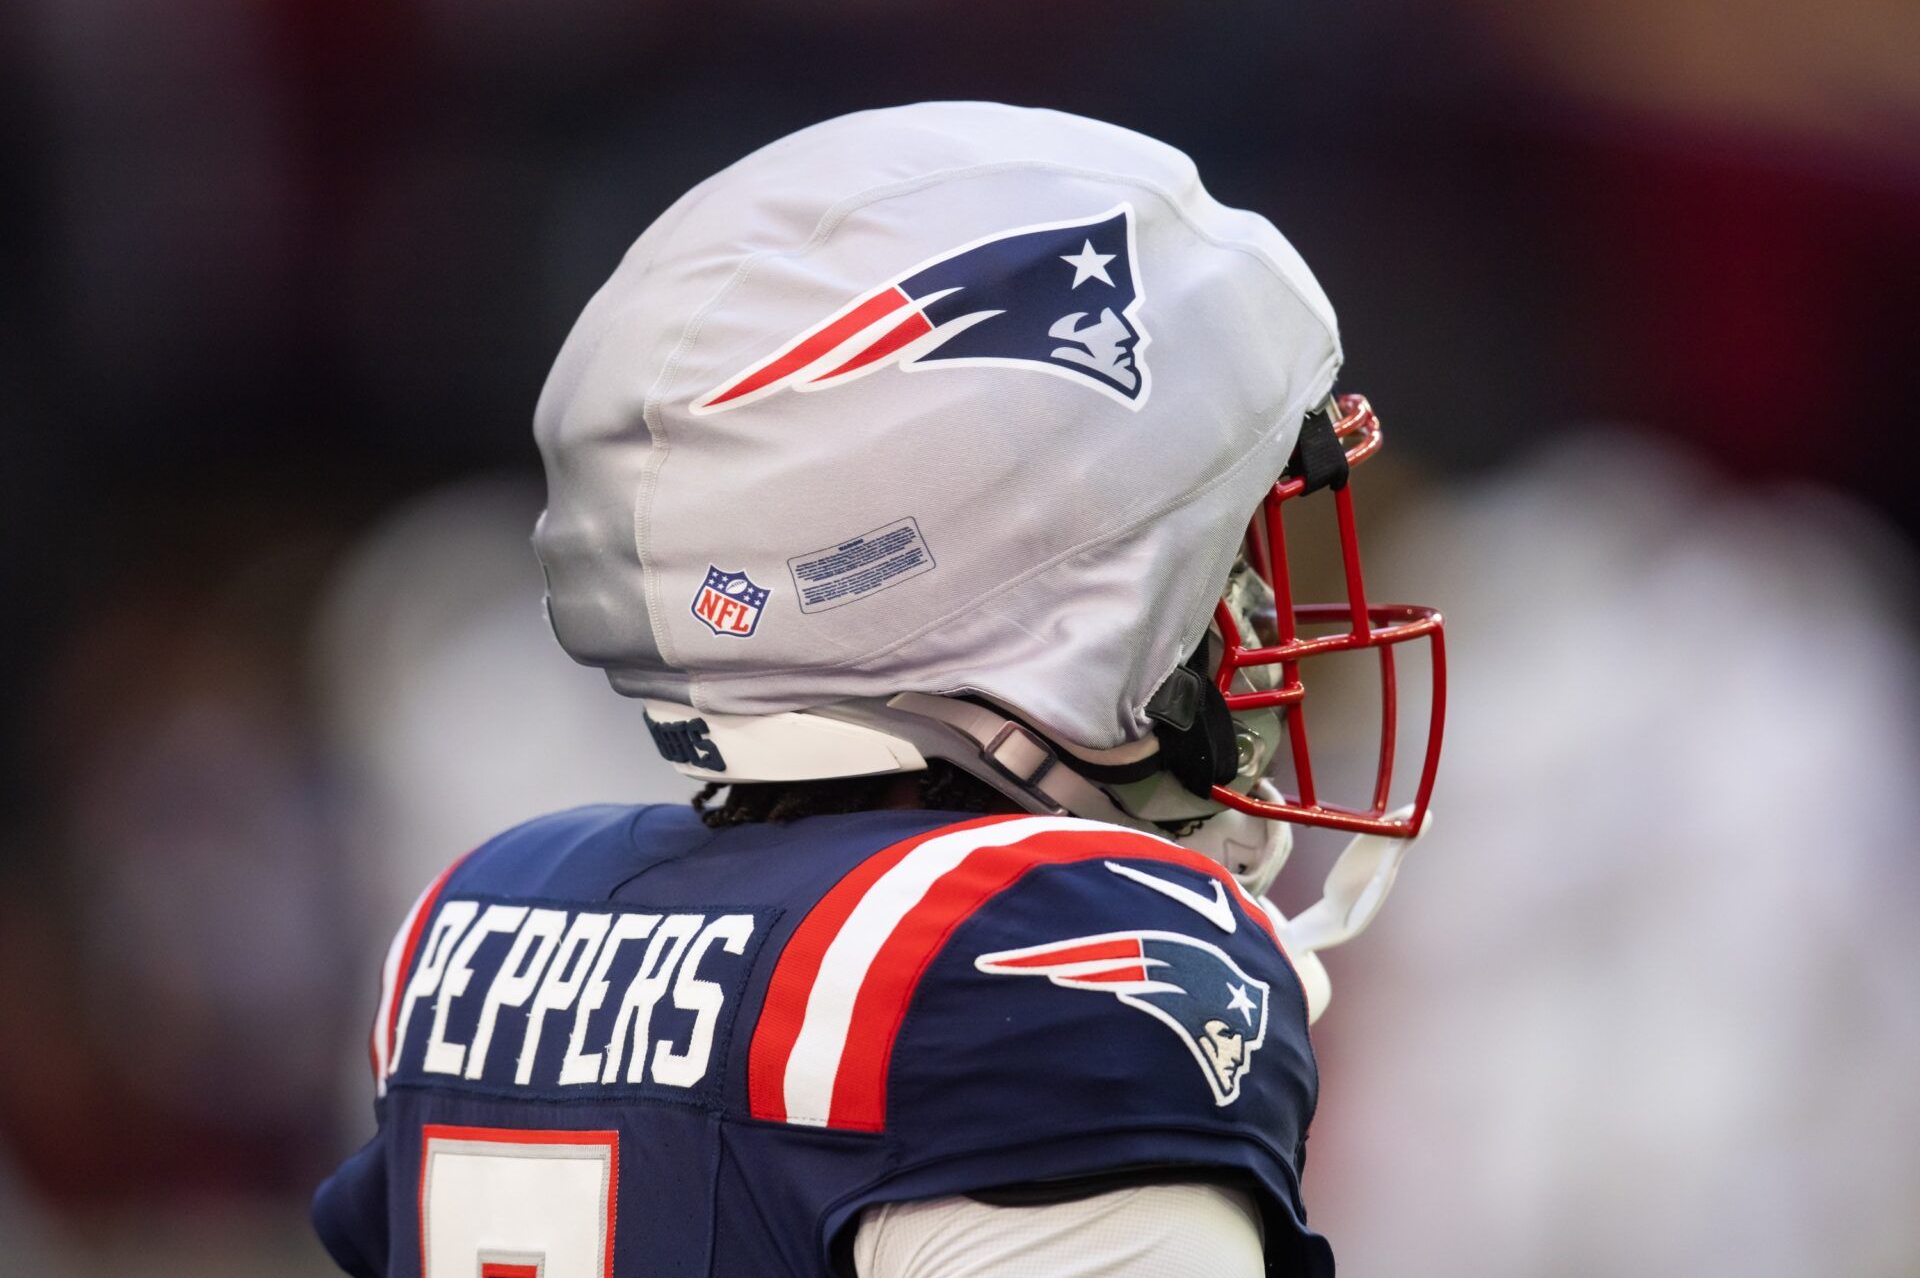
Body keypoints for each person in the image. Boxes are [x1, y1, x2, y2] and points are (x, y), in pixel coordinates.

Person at [313, 100, 1445, 1278]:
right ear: (1019, 576)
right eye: (1217, 554)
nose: (1256, 613)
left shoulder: (493, 918)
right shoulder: (1031, 965)